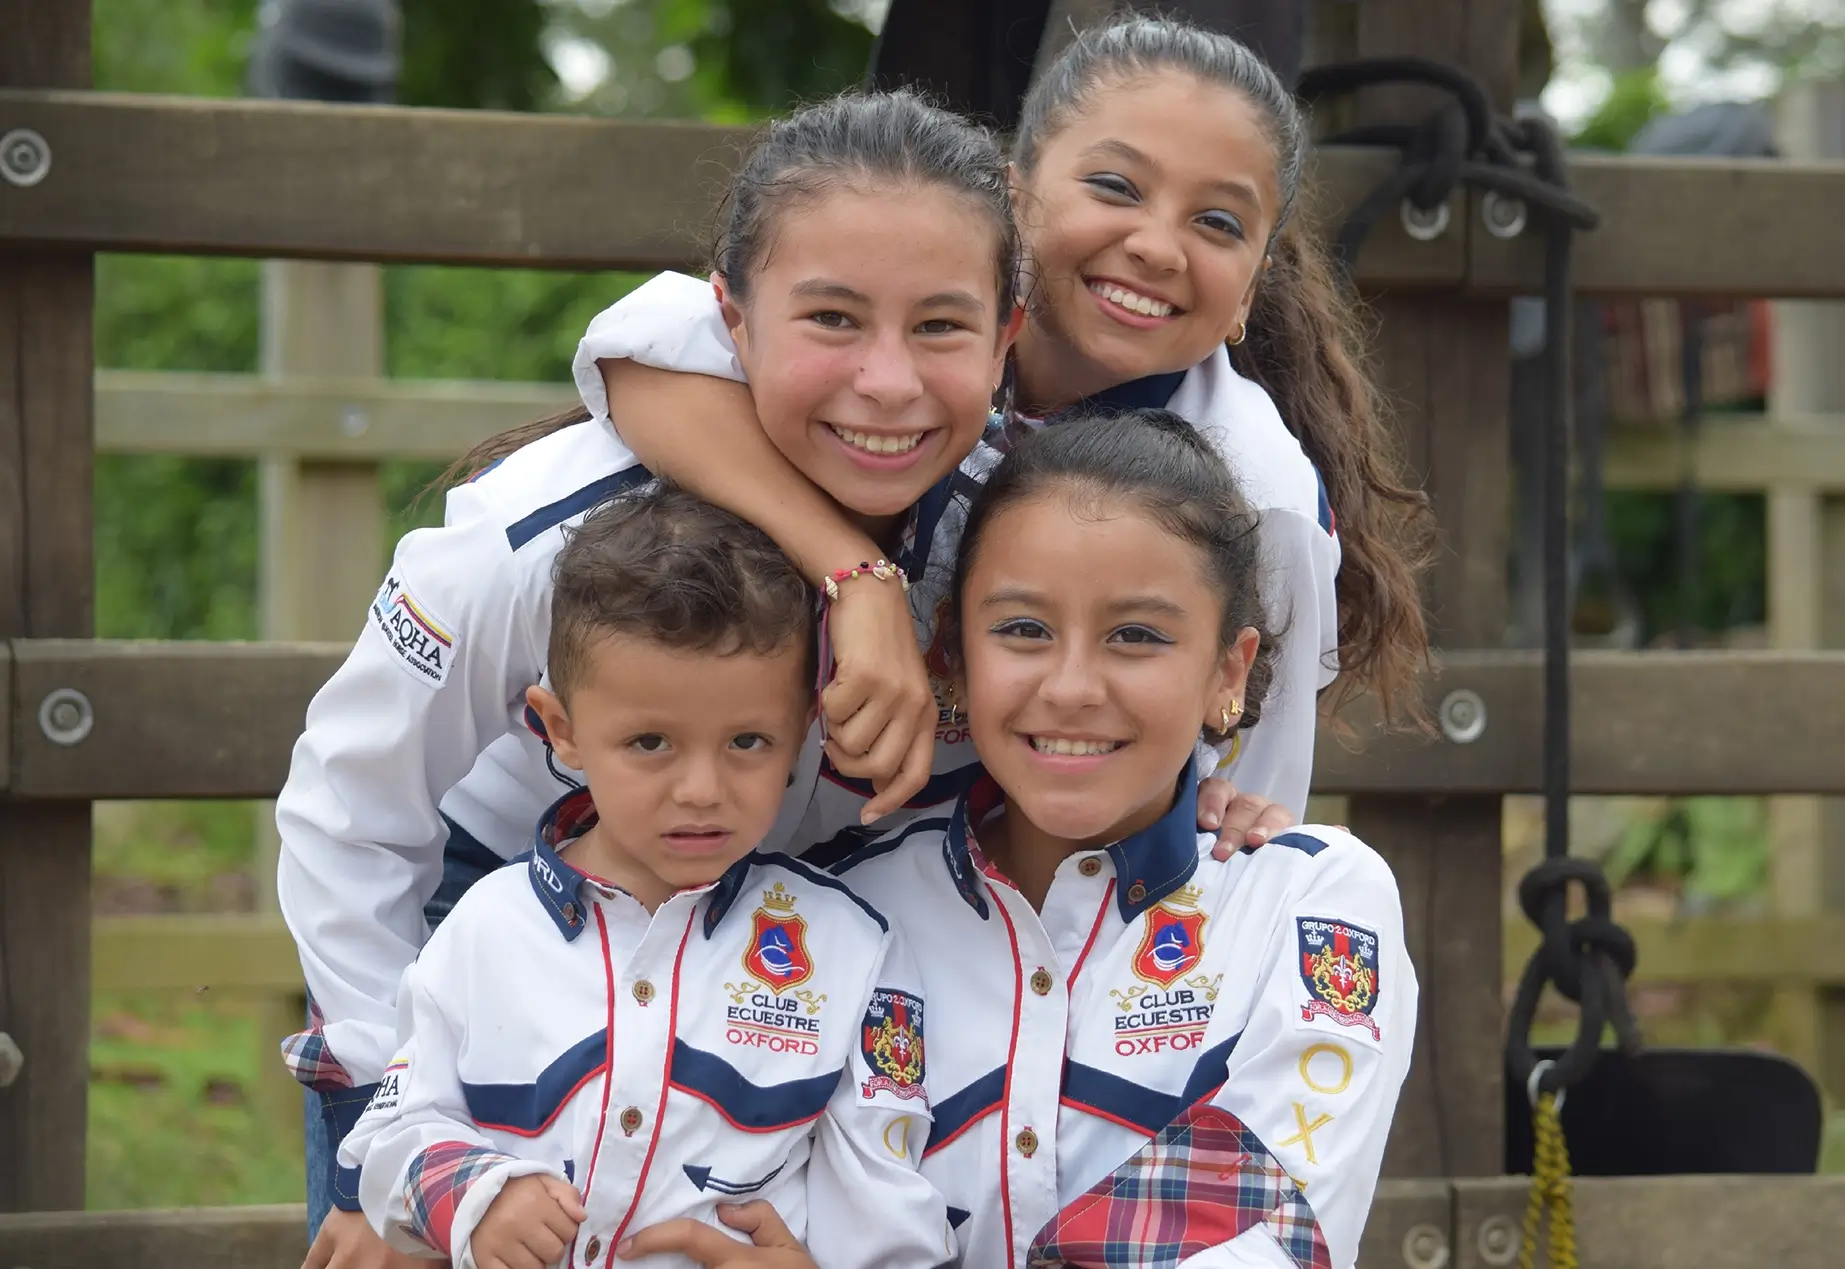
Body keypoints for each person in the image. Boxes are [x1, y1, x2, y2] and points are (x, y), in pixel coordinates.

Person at [280, 88, 1285, 1269]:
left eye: (942, 329)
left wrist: (1204, 795)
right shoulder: (535, 543)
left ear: (1009, 340)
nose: (888, 383)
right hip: (492, 977)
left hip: (793, 1011)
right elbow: (352, 814)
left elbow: (1116, 669)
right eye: (833, 320)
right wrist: (375, 1145)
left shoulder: (1009, 532)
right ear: (730, 323)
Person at [573, 15, 1433, 831]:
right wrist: (856, 574)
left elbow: (1252, 788)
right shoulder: (902, 318)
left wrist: (1234, 810)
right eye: (1114, 186)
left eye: (1217, 222)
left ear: (1252, 284)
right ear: (1016, 197)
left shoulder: (1259, 491)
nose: (1159, 246)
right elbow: (635, 354)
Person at [829, 409, 1415, 1269]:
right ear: (951, 649)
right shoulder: (840, 912)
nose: (1070, 687)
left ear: (1229, 670)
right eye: (1023, 629)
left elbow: (1257, 1247)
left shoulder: (1310, 903)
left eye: (1136, 636)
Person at [338, 487, 954, 1269]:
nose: (701, 787)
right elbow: (391, 1136)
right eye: (651, 741)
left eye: (747, 741)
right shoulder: (482, 928)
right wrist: (476, 1192)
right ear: (560, 728)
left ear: (805, 728)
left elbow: (889, 1202)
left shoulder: (851, 951)